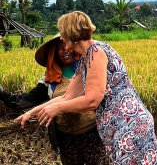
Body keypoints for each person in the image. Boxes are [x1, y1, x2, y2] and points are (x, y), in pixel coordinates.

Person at [16, 11, 157, 165]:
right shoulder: (85, 60)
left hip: (129, 125)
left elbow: (92, 100)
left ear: (72, 32)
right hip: (118, 128)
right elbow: (68, 97)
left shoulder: (96, 53)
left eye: (63, 32)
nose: (61, 37)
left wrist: (58, 109)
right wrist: (32, 112)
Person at [0, 33, 109, 165]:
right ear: (54, 53)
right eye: (60, 48)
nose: (65, 50)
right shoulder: (49, 79)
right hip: (65, 136)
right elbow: (23, 101)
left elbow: (98, 97)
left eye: (67, 46)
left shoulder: (88, 68)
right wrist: (2, 93)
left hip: (93, 133)